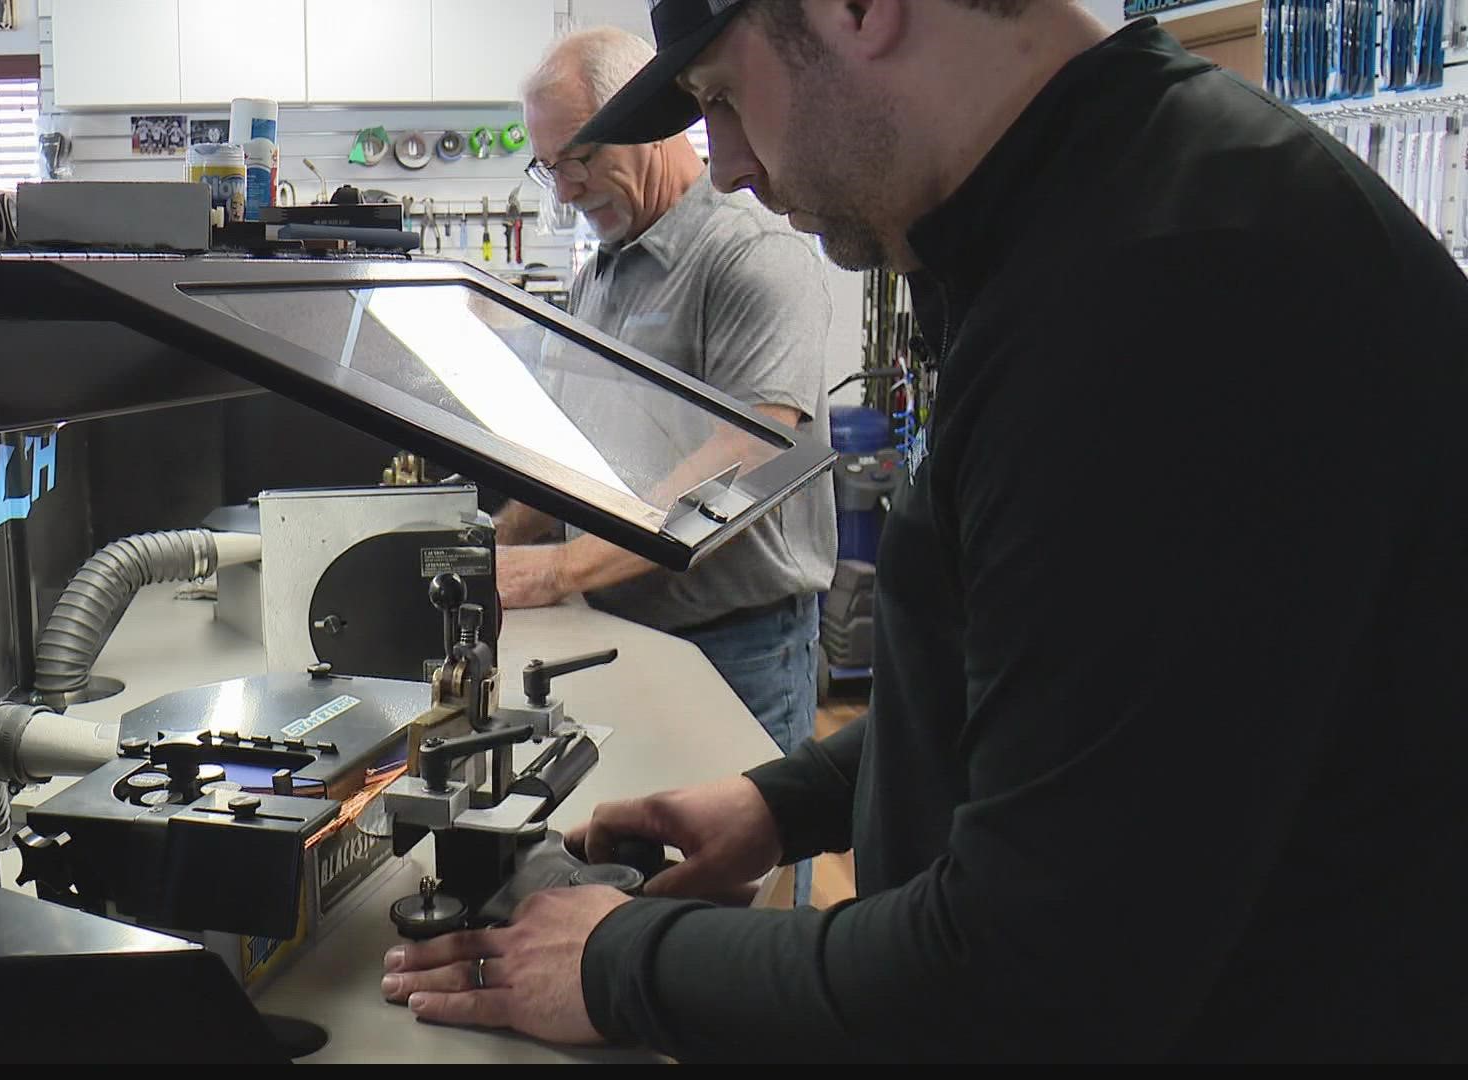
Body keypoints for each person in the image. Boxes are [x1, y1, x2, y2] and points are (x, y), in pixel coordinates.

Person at [381, 0, 1468, 1062]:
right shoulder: (1101, 218)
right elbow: (1079, 708)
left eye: (725, 97)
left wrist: (622, 961)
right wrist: (788, 800)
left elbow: (1032, 980)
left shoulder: (1165, 296)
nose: (726, 166)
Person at [497, 28, 843, 836]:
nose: (569, 189)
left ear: (649, 120)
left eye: (582, 156)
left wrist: (553, 572)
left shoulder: (747, 255)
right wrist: (491, 548)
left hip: (741, 648)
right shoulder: (598, 275)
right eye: (551, 168)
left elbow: (749, 456)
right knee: (645, 860)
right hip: (623, 628)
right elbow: (561, 448)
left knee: (744, 895)